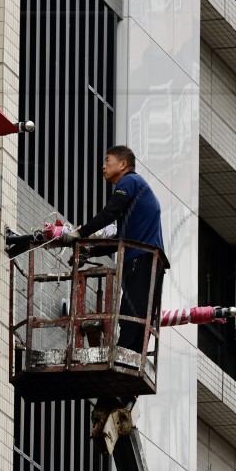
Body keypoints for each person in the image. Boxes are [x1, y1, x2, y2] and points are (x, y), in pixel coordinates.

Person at [60, 145, 165, 354]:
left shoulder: (130, 180)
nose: (103, 166)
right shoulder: (137, 198)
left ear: (123, 164)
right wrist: (90, 252)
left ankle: (123, 353)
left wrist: (80, 233)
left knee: (131, 312)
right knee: (137, 313)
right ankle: (131, 354)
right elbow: (119, 239)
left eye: (108, 161)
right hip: (149, 261)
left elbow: (110, 212)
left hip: (141, 259)